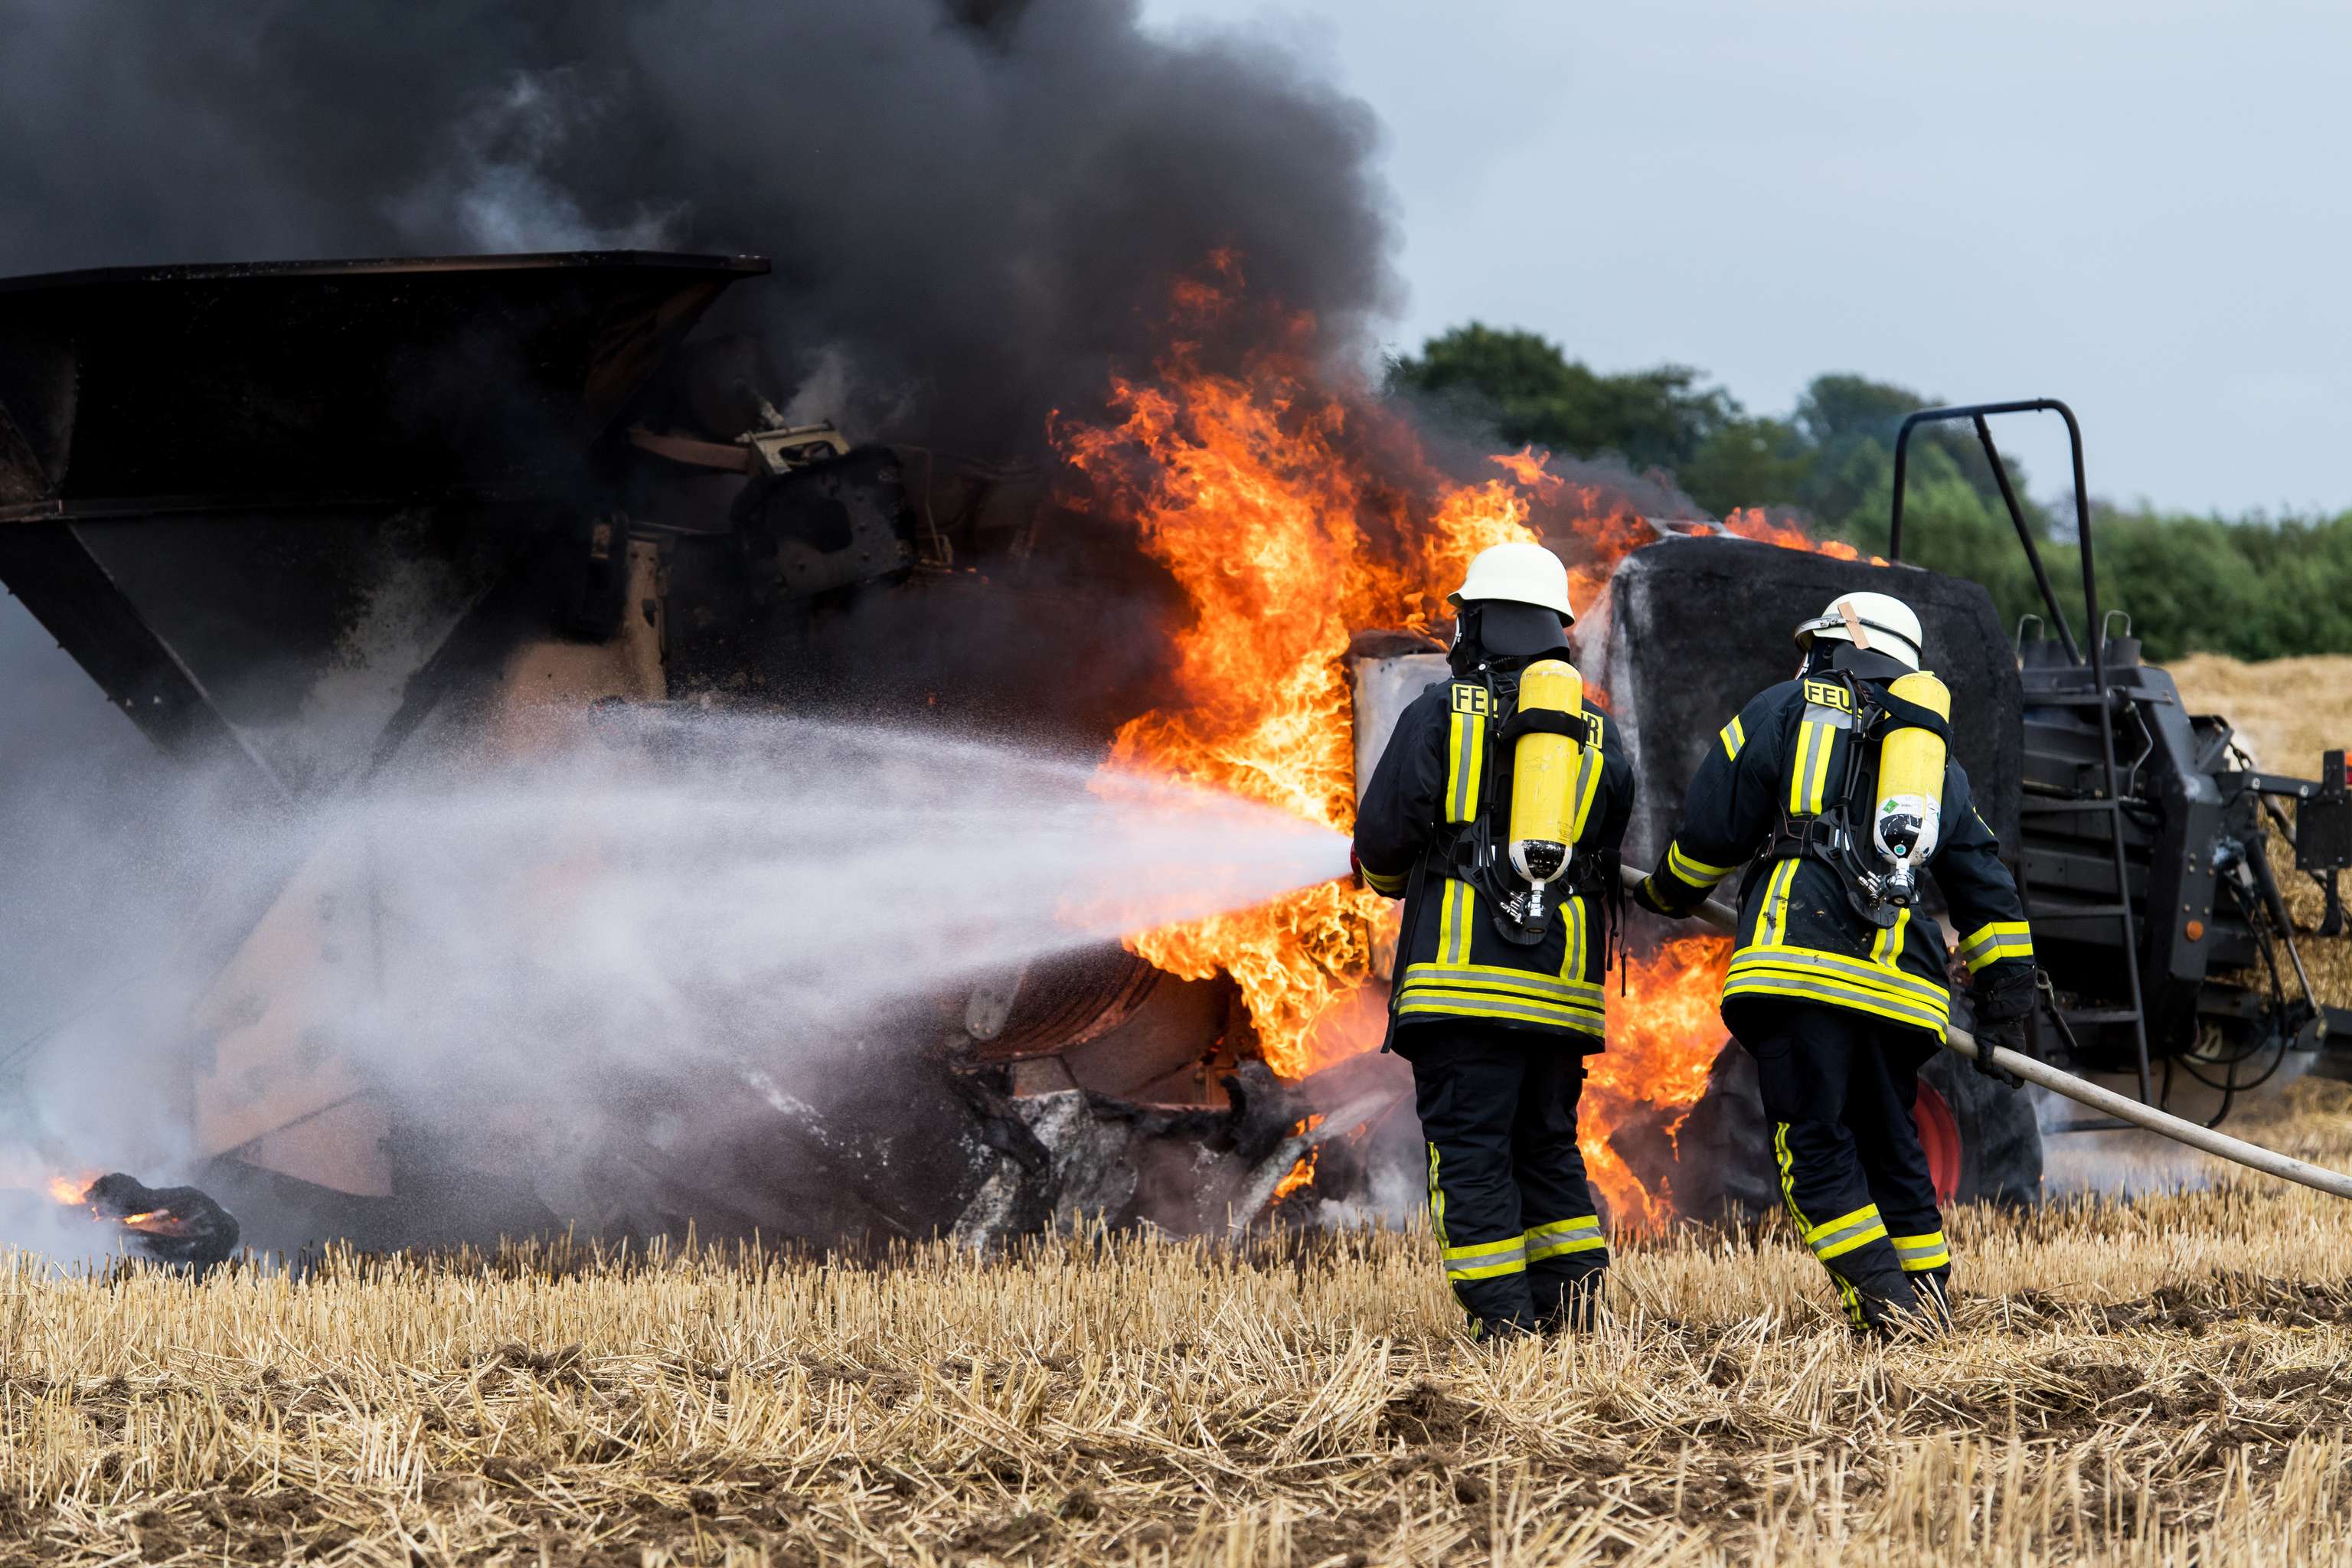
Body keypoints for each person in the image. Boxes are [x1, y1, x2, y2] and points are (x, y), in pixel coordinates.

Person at [1634, 590, 2036, 1334]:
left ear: (1835, 646)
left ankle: (1889, 1311)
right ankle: (1932, 1310)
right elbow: (1987, 885)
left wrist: (1667, 891)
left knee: (1814, 1151)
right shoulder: (1935, 763)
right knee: (1891, 1148)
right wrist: (2006, 1005)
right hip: (1902, 992)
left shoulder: (1783, 709)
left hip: (1799, 971)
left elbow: (1713, 825)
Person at [1353, 541, 1635, 1340]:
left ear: (1476, 622)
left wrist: (1399, 877)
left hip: (1461, 989)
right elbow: (1606, 848)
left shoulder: (1441, 711)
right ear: (1552, 630)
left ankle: (1508, 1332)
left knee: (1472, 1156)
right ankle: (1574, 1319)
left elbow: (1382, 843)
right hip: (1561, 997)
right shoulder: (1600, 735)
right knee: (1547, 1149)